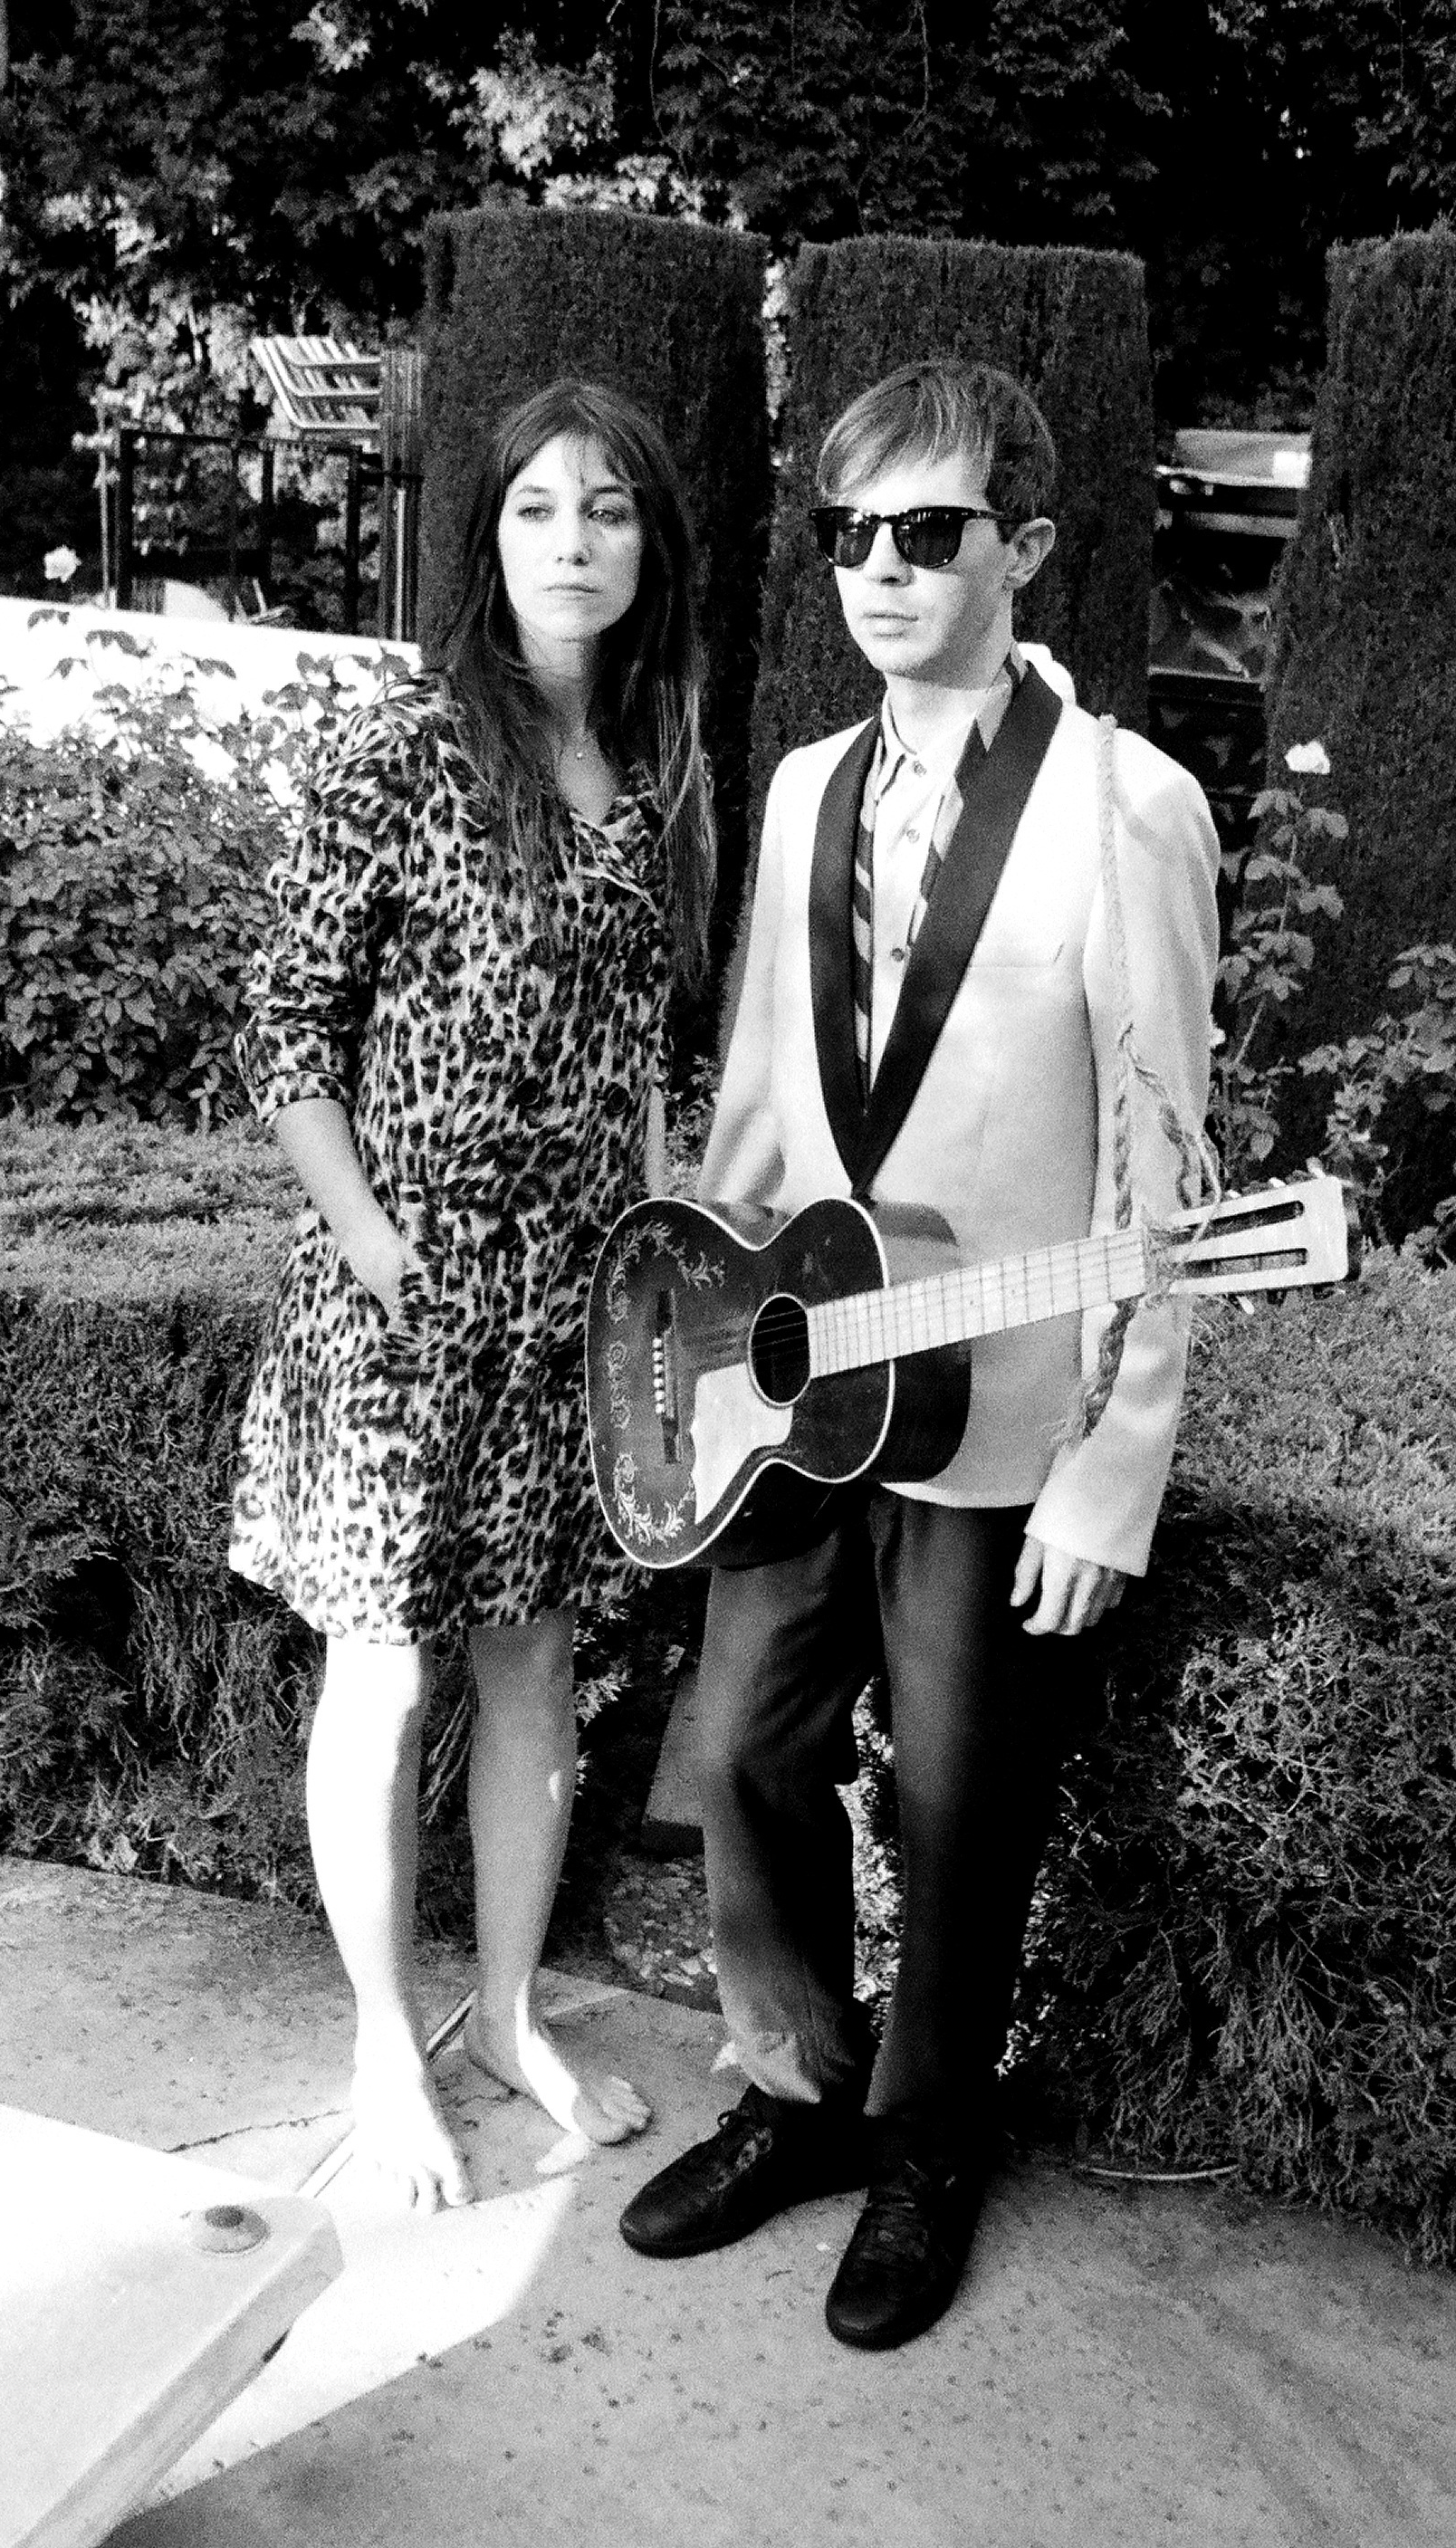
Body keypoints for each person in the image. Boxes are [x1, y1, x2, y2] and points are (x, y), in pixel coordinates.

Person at [618, 359, 1220, 2345]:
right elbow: (757, 1099)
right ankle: (793, 2086)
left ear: (1022, 547)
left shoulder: (1128, 807)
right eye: (846, 533)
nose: (877, 568)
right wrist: (700, 1342)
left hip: (1002, 1410)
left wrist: (1115, 1462)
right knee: (743, 1751)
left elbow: (1161, 1155)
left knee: (962, 1804)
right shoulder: (802, 785)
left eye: (926, 531)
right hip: (791, 1385)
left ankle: (926, 2140)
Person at [231, 378, 714, 2211]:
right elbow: (288, 1027)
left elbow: (650, 1051)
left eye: (609, 509)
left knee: (535, 1669)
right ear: (487, 535)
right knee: (381, 1671)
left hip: (575, 1315)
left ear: (649, 545)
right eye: (537, 508)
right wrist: (376, 1244)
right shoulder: (404, 751)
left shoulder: (660, 772)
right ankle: (383, 2041)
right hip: (402, 1306)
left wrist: (659, 1253)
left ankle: (507, 2014)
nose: (573, 542)